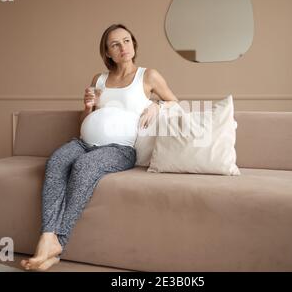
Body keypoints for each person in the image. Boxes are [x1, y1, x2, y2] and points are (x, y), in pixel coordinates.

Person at [20, 24, 178, 271]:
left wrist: (157, 106)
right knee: (56, 161)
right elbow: (84, 122)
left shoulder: (148, 76)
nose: (123, 47)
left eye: (126, 41)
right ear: (108, 53)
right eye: (115, 44)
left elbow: (174, 101)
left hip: (120, 149)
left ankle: (56, 241)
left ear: (134, 44)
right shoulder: (99, 79)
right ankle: (48, 237)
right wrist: (87, 107)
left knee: (83, 167)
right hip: (84, 142)